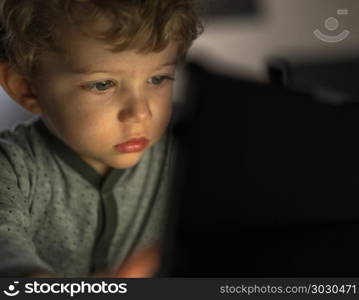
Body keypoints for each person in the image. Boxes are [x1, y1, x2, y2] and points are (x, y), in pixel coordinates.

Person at [0, 0, 203, 277]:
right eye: (102, 84)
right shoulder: (11, 168)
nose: (140, 113)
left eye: (158, 79)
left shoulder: (188, 153)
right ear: (27, 89)